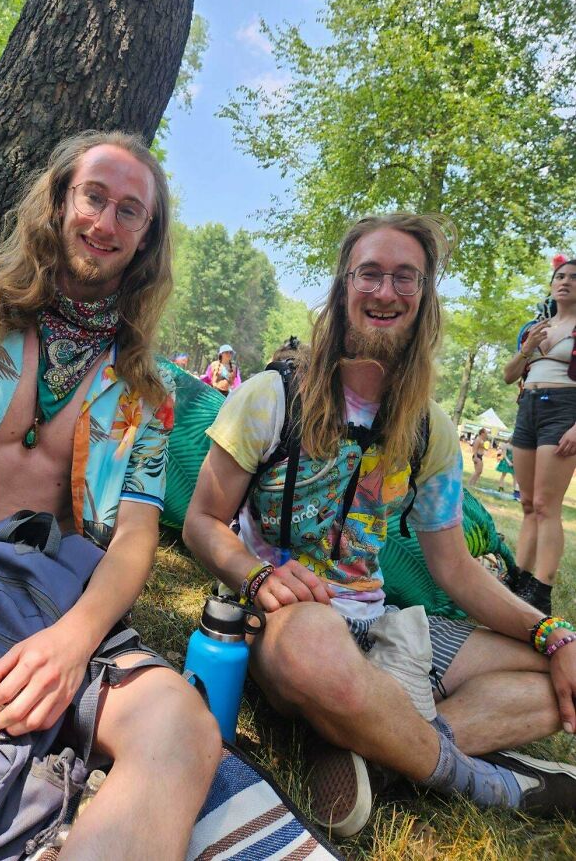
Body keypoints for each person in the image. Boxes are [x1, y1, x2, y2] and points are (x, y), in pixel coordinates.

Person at [0, 130, 220, 859]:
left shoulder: (147, 394)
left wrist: (74, 640)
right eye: (94, 195)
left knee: (182, 726)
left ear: (145, 241)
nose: (106, 220)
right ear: (60, 201)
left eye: (131, 211)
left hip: (48, 591)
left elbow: (133, 538)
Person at [184, 212, 576, 838]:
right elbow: (203, 520)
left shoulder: (432, 430)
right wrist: (254, 574)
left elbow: (454, 569)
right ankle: (485, 780)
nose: (386, 292)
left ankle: (367, 747)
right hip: (288, 621)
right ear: (343, 287)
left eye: (406, 278)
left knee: (556, 678)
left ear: (425, 299)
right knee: (316, 646)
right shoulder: (270, 395)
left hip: (383, 626)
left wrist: (554, 634)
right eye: (370, 274)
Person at [502, 257, 576, 615]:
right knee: (528, 503)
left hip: (564, 409)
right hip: (527, 405)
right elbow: (507, 375)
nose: (565, 282)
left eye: (574, 278)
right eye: (560, 276)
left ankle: (542, 587)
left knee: (547, 506)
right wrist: (527, 347)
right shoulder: (536, 328)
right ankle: (518, 576)